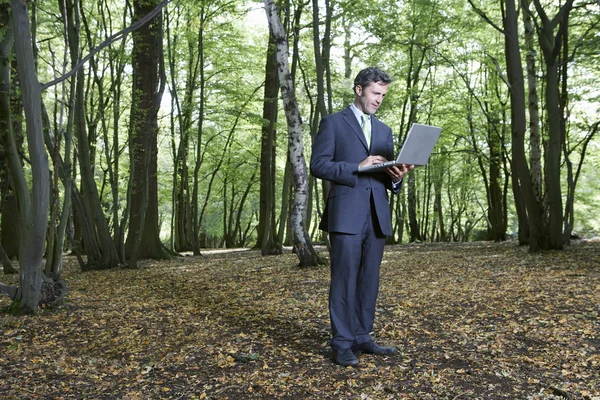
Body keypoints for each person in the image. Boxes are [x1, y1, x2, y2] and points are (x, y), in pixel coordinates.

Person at [310, 67, 414, 367]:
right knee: (344, 279)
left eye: (383, 94)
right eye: (375, 93)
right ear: (359, 90)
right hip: (345, 214)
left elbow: (389, 176)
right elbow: (318, 165)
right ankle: (341, 343)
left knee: (369, 279)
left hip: (377, 213)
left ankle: (362, 336)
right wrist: (357, 165)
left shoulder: (384, 131)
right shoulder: (332, 123)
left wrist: (397, 177)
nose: (379, 99)